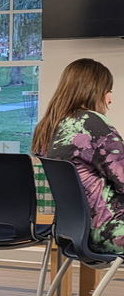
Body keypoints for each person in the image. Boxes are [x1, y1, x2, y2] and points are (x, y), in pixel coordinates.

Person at [32, 57, 122, 253]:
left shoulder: (48, 126)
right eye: (109, 91)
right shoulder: (93, 123)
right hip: (108, 229)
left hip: (68, 228)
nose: (110, 99)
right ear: (95, 91)